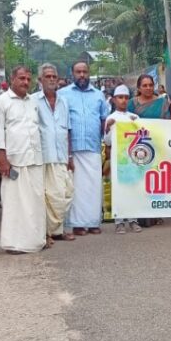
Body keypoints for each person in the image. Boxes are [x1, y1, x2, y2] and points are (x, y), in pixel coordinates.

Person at [0, 66, 47, 254]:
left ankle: (36, 240)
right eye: (22, 78)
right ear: (12, 79)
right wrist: (2, 159)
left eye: (28, 79)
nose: (25, 82)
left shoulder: (33, 101)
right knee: (14, 203)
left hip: (35, 158)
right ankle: (14, 243)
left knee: (36, 201)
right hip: (14, 160)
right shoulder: (1, 102)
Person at [60, 61, 112, 236]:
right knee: (77, 188)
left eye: (84, 71)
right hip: (72, 148)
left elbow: (104, 120)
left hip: (93, 147)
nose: (82, 75)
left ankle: (93, 222)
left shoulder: (98, 95)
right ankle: (77, 224)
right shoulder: (63, 94)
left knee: (94, 187)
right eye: (78, 72)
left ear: (89, 73)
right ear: (72, 73)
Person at [34, 63, 75, 244]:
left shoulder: (63, 101)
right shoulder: (33, 101)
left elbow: (67, 130)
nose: (51, 79)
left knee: (65, 193)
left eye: (54, 77)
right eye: (48, 76)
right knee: (47, 196)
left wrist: (70, 156)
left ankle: (54, 229)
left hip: (61, 156)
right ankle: (49, 232)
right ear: (40, 80)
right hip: (43, 156)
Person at [104, 85, 143, 234]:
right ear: (114, 99)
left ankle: (133, 220)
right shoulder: (111, 118)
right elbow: (107, 141)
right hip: (117, 159)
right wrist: (108, 128)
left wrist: (136, 125)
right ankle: (119, 222)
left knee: (133, 188)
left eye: (126, 98)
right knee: (118, 189)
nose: (123, 100)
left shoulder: (134, 117)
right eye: (120, 97)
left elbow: (142, 137)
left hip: (132, 158)